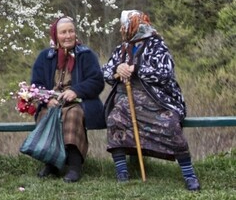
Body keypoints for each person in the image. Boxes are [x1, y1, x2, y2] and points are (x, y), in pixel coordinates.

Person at [102, 10, 201, 191]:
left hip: (156, 101)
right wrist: (118, 68)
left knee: (170, 124)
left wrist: (136, 69)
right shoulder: (121, 48)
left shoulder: (157, 45)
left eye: (126, 26)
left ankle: (189, 174)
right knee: (114, 119)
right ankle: (122, 173)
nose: (122, 30)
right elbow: (106, 73)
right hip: (126, 100)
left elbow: (165, 72)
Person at [30, 16, 105, 183]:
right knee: (46, 114)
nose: (68, 35)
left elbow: (97, 81)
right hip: (53, 102)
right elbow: (36, 84)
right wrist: (46, 100)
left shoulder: (86, 55)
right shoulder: (45, 57)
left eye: (71, 31)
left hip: (80, 103)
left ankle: (74, 167)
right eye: (63, 32)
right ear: (56, 35)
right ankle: (52, 164)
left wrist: (76, 91)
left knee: (72, 115)